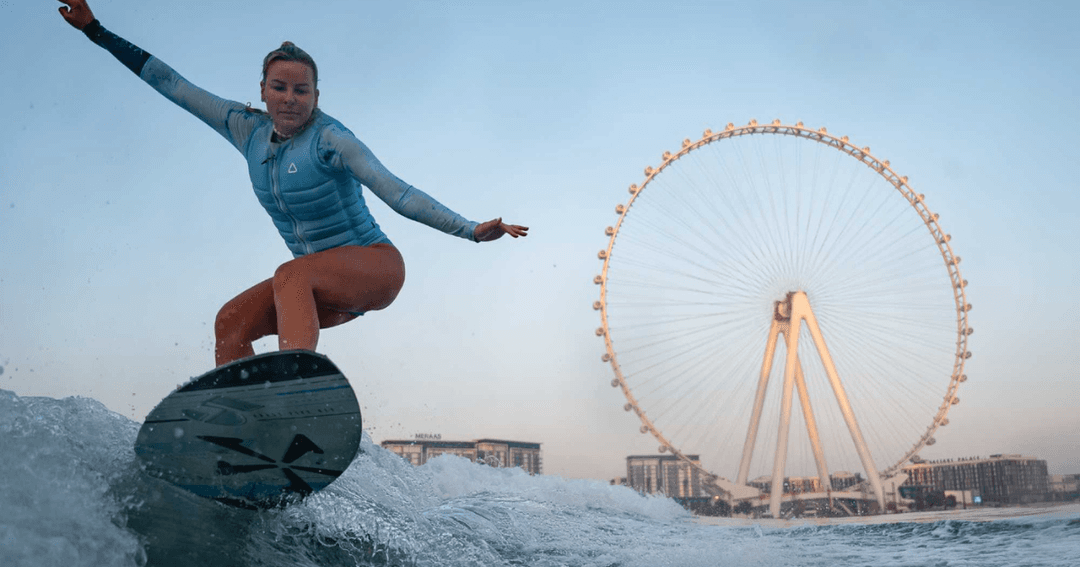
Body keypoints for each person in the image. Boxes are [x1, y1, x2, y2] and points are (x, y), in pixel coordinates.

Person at [58, 0, 528, 367]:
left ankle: (294, 389)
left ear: (316, 96)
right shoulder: (245, 129)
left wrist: (468, 229)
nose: (290, 98)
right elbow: (171, 83)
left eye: (301, 90)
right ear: (262, 89)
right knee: (230, 322)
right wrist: (95, 32)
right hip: (315, 291)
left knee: (291, 273)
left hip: (376, 268)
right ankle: (245, 426)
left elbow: (398, 192)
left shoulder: (332, 139)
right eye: (279, 87)